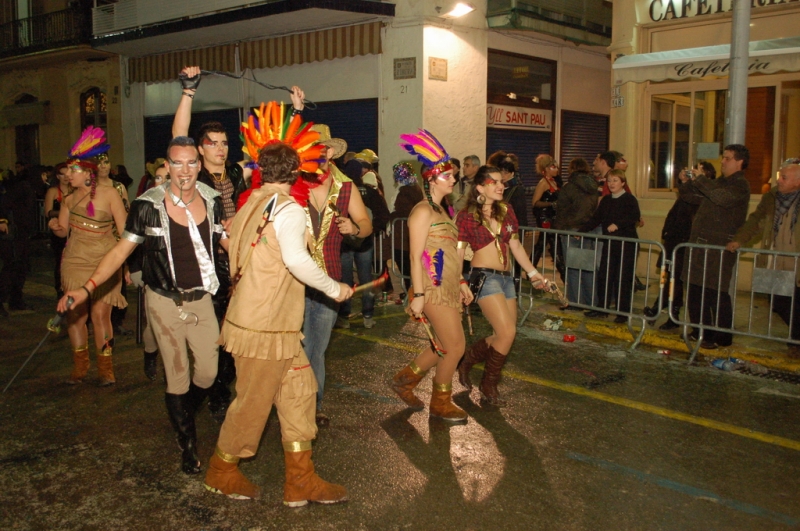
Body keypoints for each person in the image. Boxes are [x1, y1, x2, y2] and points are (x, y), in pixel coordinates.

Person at [57, 136, 229, 475]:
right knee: (178, 377)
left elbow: (227, 241)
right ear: (167, 166)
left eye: (191, 162)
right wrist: (86, 289)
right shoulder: (149, 204)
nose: (184, 170)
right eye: (176, 163)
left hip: (201, 299)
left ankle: (182, 411)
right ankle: (187, 443)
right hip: (164, 301)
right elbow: (120, 251)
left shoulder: (211, 200)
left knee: (209, 375)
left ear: (199, 165)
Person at [203, 126, 352, 504]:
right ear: (297, 169)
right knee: (252, 404)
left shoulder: (253, 200)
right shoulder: (287, 209)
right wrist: (336, 289)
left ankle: (300, 480)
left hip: (276, 326)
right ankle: (221, 472)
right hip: (263, 326)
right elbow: (297, 260)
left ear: (261, 169)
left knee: (300, 392)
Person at [173, 65, 255, 422]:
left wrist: (295, 112)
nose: (221, 148)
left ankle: (220, 390)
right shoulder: (192, 175)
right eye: (213, 143)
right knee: (215, 339)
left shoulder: (236, 172)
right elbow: (179, 135)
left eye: (224, 143)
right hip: (208, 266)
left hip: (239, 262)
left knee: (237, 336)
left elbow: (272, 154)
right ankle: (209, 394)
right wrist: (189, 91)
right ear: (199, 149)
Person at [390, 129, 474, 423]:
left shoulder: (443, 209)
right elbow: (414, 256)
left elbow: (450, 251)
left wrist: (462, 281)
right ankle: (441, 403)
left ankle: (403, 381)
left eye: (453, 175)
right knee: (455, 346)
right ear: (431, 178)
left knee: (440, 346)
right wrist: (420, 294)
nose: (453, 179)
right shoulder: (422, 211)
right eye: (448, 175)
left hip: (449, 285)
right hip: (432, 287)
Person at [456, 165, 547, 406]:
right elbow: (458, 252)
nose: (500, 186)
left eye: (501, 182)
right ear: (480, 187)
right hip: (484, 278)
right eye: (494, 182)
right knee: (508, 332)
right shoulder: (466, 215)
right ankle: (489, 383)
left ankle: (467, 361)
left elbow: (515, 246)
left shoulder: (507, 210)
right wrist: (460, 280)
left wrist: (533, 273)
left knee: (503, 334)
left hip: (508, 279)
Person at [302, 124, 372, 427]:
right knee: (288, 349)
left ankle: (311, 406)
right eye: (308, 149)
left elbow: (366, 223)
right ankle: (285, 401)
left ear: (329, 152)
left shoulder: (346, 188)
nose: (315, 154)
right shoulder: (291, 185)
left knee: (315, 349)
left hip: (329, 281)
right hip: (291, 283)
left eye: (320, 148)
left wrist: (354, 229)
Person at [48, 127, 128, 386]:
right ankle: (80, 367)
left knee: (100, 315)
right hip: (75, 260)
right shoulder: (69, 200)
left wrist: (123, 265)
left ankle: (105, 368)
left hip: (104, 260)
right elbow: (63, 233)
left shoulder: (110, 194)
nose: (67, 174)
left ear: (87, 174)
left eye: (73, 170)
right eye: (67, 170)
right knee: (75, 315)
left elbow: (126, 233)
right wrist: (56, 227)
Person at [727, 159, 800, 359]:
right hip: (776, 258)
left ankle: (795, 341)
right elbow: (756, 221)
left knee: (798, 302)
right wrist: (739, 240)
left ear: (797, 181)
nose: (780, 181)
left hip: (797, 262)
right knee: (778, 302)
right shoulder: (771, 198)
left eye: (784, 178)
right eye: (779, 177)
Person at [680, 144, 751, 349]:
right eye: (723, 157)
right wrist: (686, 183)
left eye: (728, 158)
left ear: (739, 162)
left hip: (718, 247)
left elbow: (722, 199)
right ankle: (701, 331)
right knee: (695, 289)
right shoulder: (719, 182)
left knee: (715, 291)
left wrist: (701, 180)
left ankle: (721, 336)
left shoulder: (740, 185)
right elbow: (691, 197)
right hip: (700, 245)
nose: (723, 161)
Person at [644, 162, 716, 329]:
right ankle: (667, 313)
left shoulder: (705, 194)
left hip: (686, 242)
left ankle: (661, 310)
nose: (693, 174)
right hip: (674, 240)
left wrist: (687, 183)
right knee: (669, 278)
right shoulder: (689, 192)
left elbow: (691, 202)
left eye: (698, 172)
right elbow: (677, 212)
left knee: (676, 280)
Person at [580, 170, 641, 323]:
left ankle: (623, 313)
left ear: (622, 183)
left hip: (626, 244)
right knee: (605, 276)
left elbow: (634, 216)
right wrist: (581, 231)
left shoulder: (629, 199)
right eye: (609, 180)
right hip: (610, 243)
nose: (612, 183)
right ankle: (602, 308)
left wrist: (618, 225)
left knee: (623, 278)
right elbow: (596, 218)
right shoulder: (606, 200)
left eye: (615, 180)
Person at [337, 159, 390, 329]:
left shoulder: (341, 192)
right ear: (361, 173)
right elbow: (383, 214)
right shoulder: (369, 191)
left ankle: (344, 316)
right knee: (366, 278)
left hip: (344, 243)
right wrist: (372, 230)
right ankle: (368, 314)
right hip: (365, 243)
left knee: (345, 279)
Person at [132, 162, 170, 381]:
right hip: (152, 272)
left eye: (167, 177)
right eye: (158, 177)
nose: (162, 182)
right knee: (155, 325)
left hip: (179, 276)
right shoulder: (144, 205)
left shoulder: (188, 203)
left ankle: (171, 368)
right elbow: (133, 242)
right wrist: (135, 269)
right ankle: (150, 354)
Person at [554, 158, 599, 309]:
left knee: (572, 268)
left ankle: (574, 302)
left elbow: (562, 209)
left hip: (570, 229)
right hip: (587, 230)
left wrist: (561, 228)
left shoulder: (569, 187)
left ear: (572, 169)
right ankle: (591, 302)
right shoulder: (593, 187)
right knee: (587, 268)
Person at [531, 154, 565, 280]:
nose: (556, 169)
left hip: (552, 217)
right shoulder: (543, 183)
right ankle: (564, 273)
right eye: (553, 167)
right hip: (545, 218)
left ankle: (530, 268)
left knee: (541, 244)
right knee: (554, 244)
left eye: (556, 166)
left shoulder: (555, 182)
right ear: (546, 169)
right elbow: (535, 202)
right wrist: (551, 204)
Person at [43, 162, 71, 299]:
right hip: (59, 230)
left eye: (68, 173)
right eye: (62, 174)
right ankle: (60, 290)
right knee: (60, 260)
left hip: (74, 231)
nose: (66, 177)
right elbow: (47, 212)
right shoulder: (53, 191)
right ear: (57, 176)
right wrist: (64, 213)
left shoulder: (76, 190)